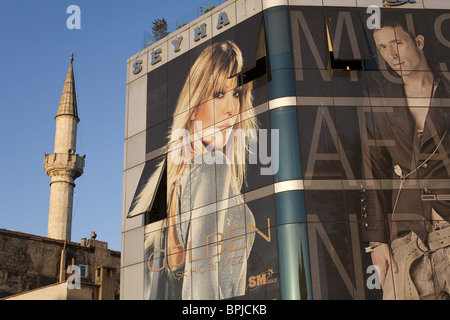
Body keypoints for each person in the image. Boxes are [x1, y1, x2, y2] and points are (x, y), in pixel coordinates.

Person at [129, 40, 259, 299]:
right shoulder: (214, 168)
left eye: (236, 94)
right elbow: (203, 283)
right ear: (193, 104)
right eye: (219, 94)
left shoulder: (165, 186)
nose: (231, 108)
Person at [361, 13, 450, 299]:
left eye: (397, 43)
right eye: (383, 47)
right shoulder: (378, 100)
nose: (391, 55)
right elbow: (371, 169)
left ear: (419, 41)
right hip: (407, 238)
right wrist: (376, 241)